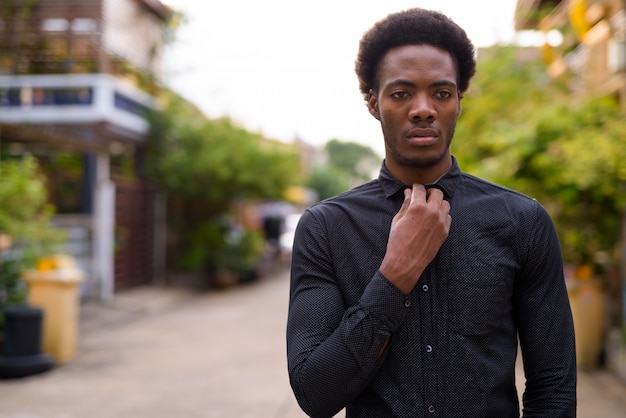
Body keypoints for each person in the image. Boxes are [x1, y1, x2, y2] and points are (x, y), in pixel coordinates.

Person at [286, 8, 576, 418]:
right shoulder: (326, 228)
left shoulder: (522, 221)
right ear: (373, 102)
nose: (423, 109)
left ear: (459, 101)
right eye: (401, 93)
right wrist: (395, 275)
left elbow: (554, 388)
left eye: (441, 93)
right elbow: (315, 394)